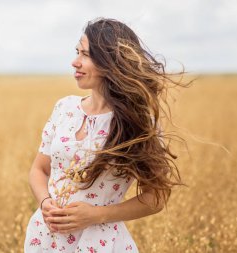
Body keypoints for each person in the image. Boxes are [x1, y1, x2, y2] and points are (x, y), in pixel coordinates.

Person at [24, 17, 188, 253]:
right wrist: (45, 202)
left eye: (85, 55)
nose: (74, 62)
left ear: (110, 62)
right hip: (45, 237)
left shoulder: (136, 122)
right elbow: (39, 170)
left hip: (100, 244)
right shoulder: (64, 108)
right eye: (76, 52)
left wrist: (95, 215)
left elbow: (156, 198)